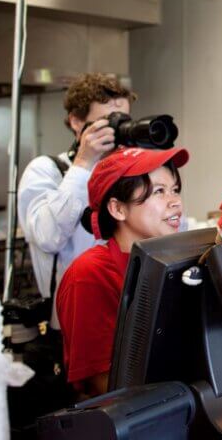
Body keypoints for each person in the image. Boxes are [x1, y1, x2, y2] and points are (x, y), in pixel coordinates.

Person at [56, 146, 189, 398]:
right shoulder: (90, 273)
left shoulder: (177, 260)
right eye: (159, 192)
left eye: (175, 190)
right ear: (117, 209)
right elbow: (102, 383)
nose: (175, 202)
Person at [17, 73, 136, 319]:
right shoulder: (46, 170)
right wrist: (83, 163)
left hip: (123, 312)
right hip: (70, 316)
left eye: (123, 121)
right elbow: (47, 238)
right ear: (76, 122)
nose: (115, 132)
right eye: (105, 123)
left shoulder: (125, 174)